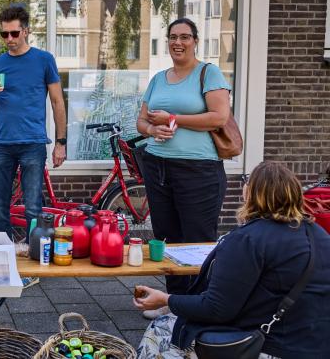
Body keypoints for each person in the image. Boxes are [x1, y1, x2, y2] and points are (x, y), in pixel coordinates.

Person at [133, 162, 330, 358]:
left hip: (268, 346)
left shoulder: (247, 238)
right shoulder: (320, 235)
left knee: (161, 328)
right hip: (318, 344)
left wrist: (166, 299)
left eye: (247, 181)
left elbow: (216, 308)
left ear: (250, 193)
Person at [135, 18, 232, 318]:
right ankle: (170, 301)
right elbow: (141, 120)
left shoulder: (208, 73)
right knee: (167, 236)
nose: (178, 42)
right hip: (158, 166)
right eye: (173, 37)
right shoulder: (159, 78)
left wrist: (172, 119)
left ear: (195, 41)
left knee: (198, 238)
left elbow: (218, 117)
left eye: (185, 37)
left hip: (198, 170)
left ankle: (200, 304)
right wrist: (152, 131)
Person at [0, 5, 67, 241]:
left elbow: (58, 102)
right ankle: (3, 257)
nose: (9, 39)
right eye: (4, 34)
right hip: (2, 143)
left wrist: (60, 142)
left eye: (14, 33)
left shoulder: (43, 60)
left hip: (32, 142)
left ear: (26, 31)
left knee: (33, 209)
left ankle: (34, 260)